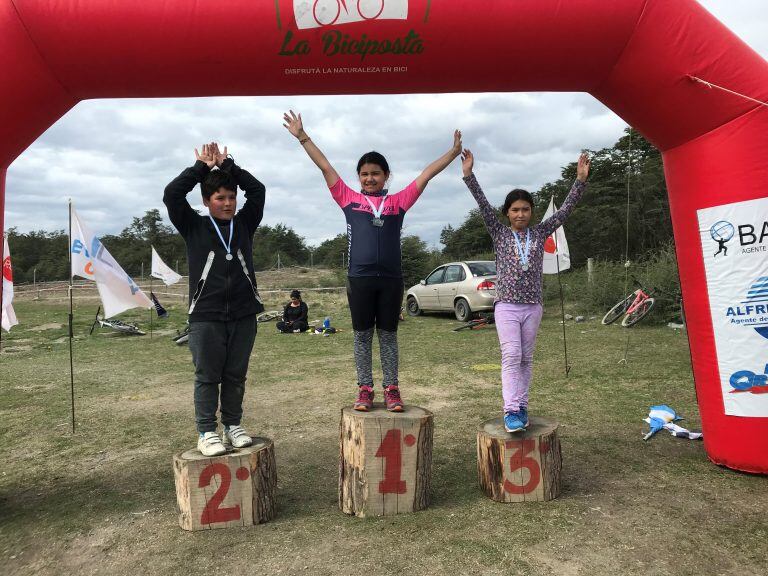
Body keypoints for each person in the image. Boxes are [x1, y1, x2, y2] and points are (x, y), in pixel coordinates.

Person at [283, 110, 462, 412]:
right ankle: (364, 388)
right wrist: (303, 137)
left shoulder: (398, 202)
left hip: (391, 280)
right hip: (360, 279)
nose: (369, 178)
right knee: (363, 337)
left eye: (375, 173)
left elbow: (426, 174)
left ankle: (392, 389)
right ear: (358, 178)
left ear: (386, 176)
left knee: (389, 337)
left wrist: (452, 152)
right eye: (364, 174)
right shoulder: (348, 199)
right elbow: (325, 166)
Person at [461, 148, 590, 432]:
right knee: (511, 356)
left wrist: (580, 180)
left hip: (533, 305)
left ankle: (521, 406)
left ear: (532, 211)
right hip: (506, 304)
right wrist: (469, 175)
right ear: (507, 213)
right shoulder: (499, 232)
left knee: (527, 358)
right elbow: (483, 204)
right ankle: (510, 411)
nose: (521, 214)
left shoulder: (541, 232)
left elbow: (566, 210)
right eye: (515, 209)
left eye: (526, 209)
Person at [164, 143, 266, 456]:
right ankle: (207, 431)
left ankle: (233, 425)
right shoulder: (194, 225)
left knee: (235, 375)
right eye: (220, 198)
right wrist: (201, 168)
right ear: (207, 201)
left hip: (244, 312)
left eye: (231, 197)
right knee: (207, 376)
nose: (228, 203)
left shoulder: (245, 223)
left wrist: (228, 165)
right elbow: (171, 195)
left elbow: (258, 190)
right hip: (205, 315)